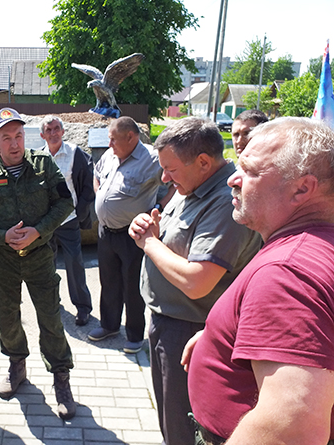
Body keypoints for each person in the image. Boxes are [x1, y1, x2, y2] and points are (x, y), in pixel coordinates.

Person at [184, 117, 334, 445]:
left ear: (303, 188)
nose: (233, 180)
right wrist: (225, 337)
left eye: (250, 171)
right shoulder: (314, 245)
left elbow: (292, 425)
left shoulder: (287, 273)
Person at [129, 117, 262, 445]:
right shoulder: (192, 184)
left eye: (170, 169)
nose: (164, 178)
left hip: (191, 331)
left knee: (185, 430)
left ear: (204, 162)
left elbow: (198, 281)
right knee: (170, 423)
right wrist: (154, 228)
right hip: (169, 324)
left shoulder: (225, 200)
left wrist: (149, 243)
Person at [0, 107, 77, 420]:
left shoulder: (43, 165)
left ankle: (61, 378)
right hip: (3, 261)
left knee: (51, 319)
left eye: (18, 136)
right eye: (7, 138)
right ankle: (17, 365)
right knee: (7, 318)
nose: (15, 144)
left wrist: (38, 230)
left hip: (40, 258)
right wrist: (3, 236)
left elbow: (64, 202)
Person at [88, 116, 167, 353]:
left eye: (113, 139)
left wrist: (160, 208)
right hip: (106, 233)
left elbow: (174, 182)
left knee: (133, 286)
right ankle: (109, 325)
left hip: (133, 236)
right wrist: (101, 193)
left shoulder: (152, 159)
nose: (109, 144)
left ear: (130, 137)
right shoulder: (110, 155)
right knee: (109, 282)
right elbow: (97, 173)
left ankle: (134, 335)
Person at [40, 115, 94, 326]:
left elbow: (87, 186)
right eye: (49, 130)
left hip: (69, 219)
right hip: (47, 221)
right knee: (47, 263)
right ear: (43, 135)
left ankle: (82, 307)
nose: (53, 133)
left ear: (62, 131)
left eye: (56, 129)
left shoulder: (74, 153)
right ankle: (53, 301)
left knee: (74, 263)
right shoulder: (39, 156)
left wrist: (80, 213)